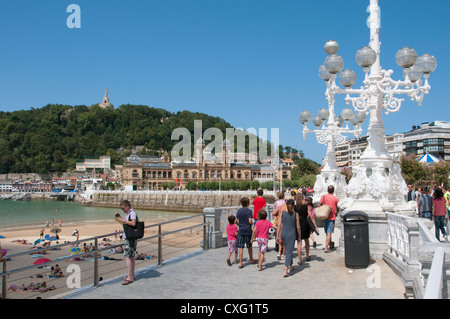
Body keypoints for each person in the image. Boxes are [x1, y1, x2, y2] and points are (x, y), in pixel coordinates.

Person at [115, 200, 138, 285]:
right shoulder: (129, 214)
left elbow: (133, 223)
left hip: (130, 238)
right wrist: (121, 220)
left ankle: (129, 277)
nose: (122, 210)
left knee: (127, 257)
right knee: (131, 257)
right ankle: (131, 275)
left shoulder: (132, 213)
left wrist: (123, 221)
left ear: (127, 206)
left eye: (123, 208)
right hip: (130, 237)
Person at [277, 199, 301, 277]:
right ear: (293, 205)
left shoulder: (283, 213)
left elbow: (279, 224)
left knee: (288, 249)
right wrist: (299, 236)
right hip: (291, 234)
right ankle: (286, 270)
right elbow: (298, 227)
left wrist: (277, 235)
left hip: (283, 233)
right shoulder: (296, 214)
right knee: (289, 252)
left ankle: (290, 266)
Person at [295, 194, 319, 264]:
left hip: (297, 224)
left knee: (299, 242)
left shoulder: (295, 207)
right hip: (305, 223)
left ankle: (299, 259)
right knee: (307, 240)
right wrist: (315, 226)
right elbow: (311, 217)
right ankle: (307, 256)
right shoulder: (306, 207)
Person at [236, 197, 256, 268]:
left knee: (241, 247)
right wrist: (251, 224)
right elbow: (250, 221)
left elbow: (235, 221)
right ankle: (251, 259)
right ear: (247, 203)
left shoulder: (239, 211)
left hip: (241, 230)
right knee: (249, 246)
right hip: (247, 230)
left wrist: (239, 225)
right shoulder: (249, 211)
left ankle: (241, 263)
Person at [319, 185, 339, 253]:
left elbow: (319, 205)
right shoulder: (335, 198)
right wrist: (336, 212)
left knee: (327, 232)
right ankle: (326, 247)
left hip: (325, 216)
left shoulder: (323, 197)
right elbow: (338, 207)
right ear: (333, 190)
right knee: (329, 232)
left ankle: (330, 244)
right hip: (331, 217)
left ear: (327, 190)